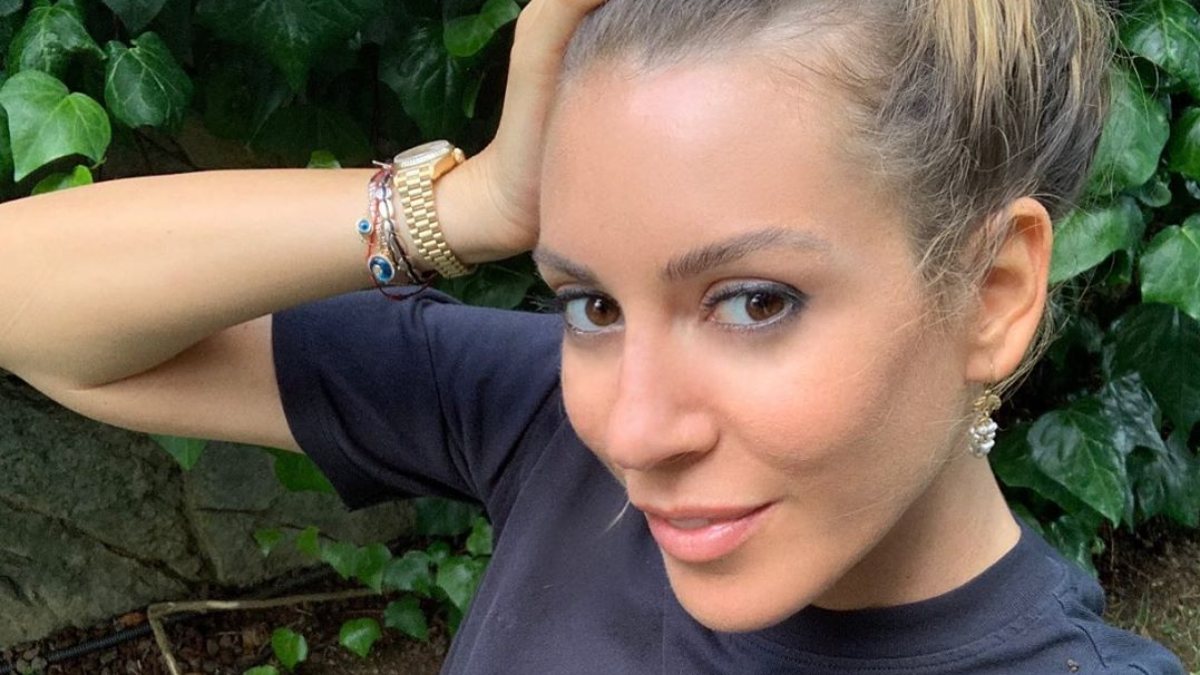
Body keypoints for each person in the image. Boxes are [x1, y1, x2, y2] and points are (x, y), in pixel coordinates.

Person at [0, 0, 1187, 672]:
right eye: (591, 306)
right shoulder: (541, 426)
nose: (632, 432)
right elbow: (32, 303)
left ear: (992, 292)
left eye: (754, 301)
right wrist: (465, 207)